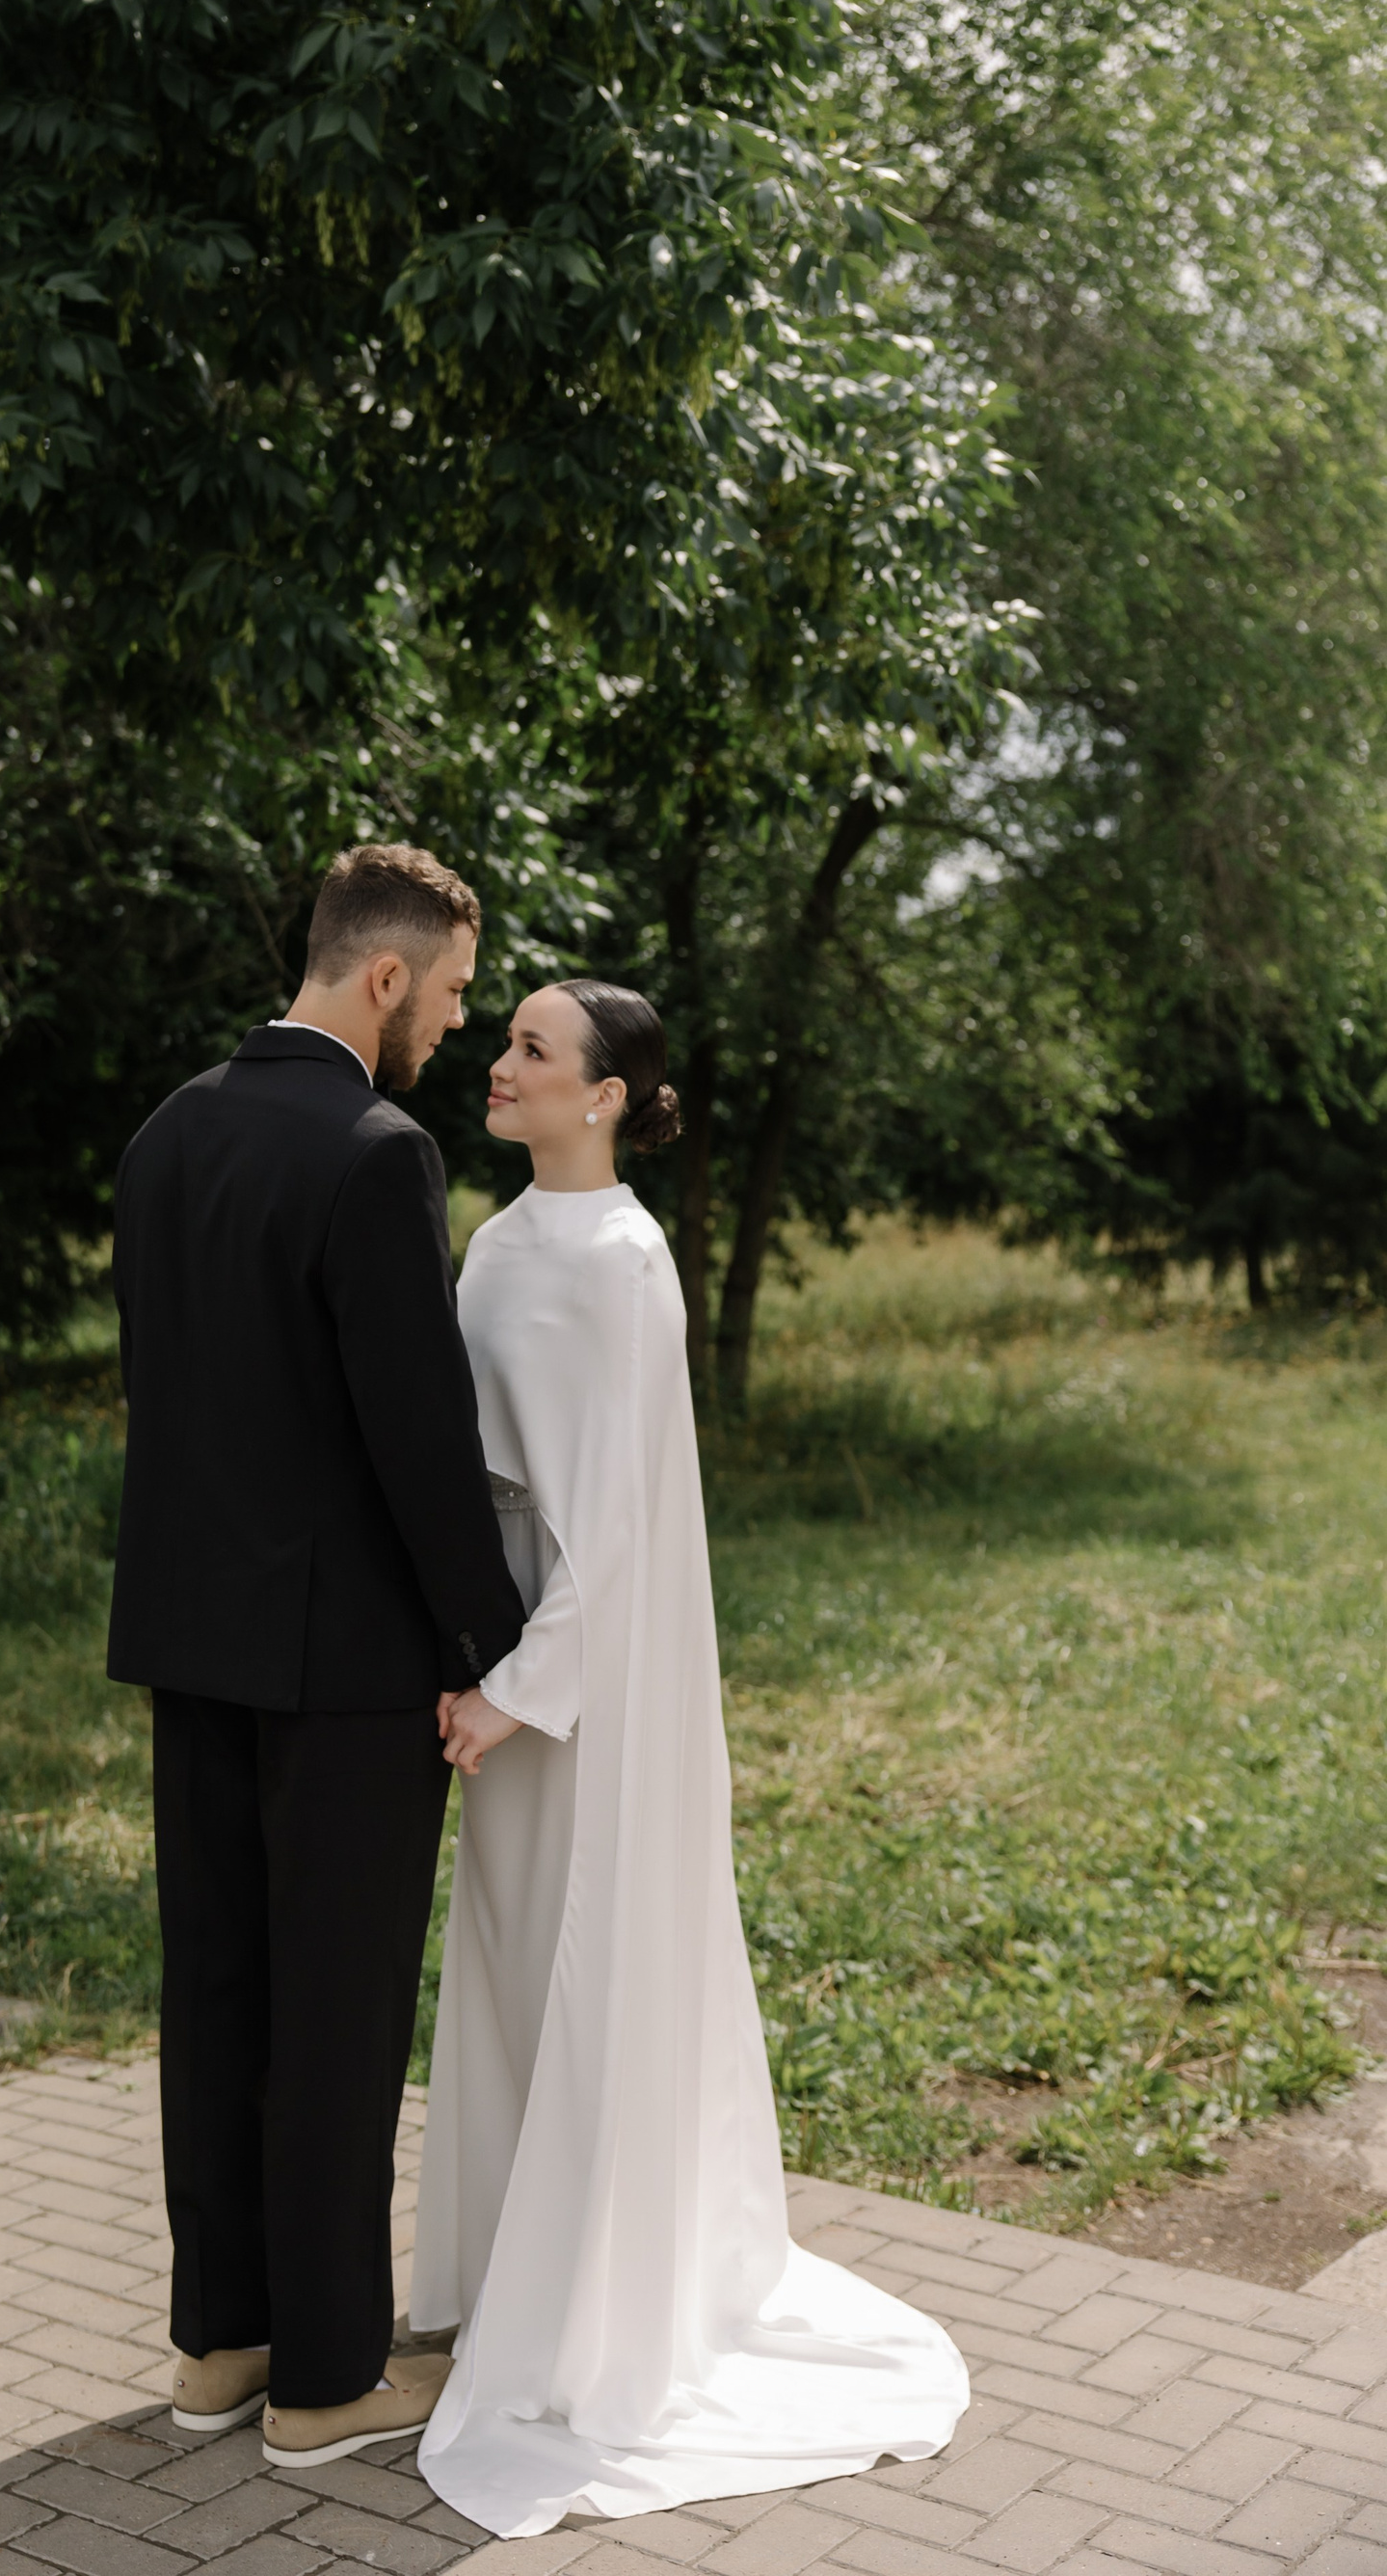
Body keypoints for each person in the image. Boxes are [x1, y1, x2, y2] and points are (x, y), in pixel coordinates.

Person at [411, 980, 969, 2538]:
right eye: (505, 1039)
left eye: (533, 1050)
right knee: (511, 1953)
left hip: (584, 1682)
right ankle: (508, 2278)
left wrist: (520, 1690)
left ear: (604, 1095)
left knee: (584, 1951)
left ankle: (589, 2311)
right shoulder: (496, 1245)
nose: (500, 1064)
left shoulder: (625, 1261)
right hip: (499, 1651)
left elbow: (624, 1518)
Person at [107, 844, 528, 2469]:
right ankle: (328, 2381)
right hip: (342, 1664)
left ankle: (222, 2343)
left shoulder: (166, 1133)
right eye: (455, 992)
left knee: (217, 1993)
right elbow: (418, 1438)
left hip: (190, 1640)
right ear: (384, 976)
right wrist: (490, 1645)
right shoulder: (375, 1151)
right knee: (336, 2023)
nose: (457, 1022)